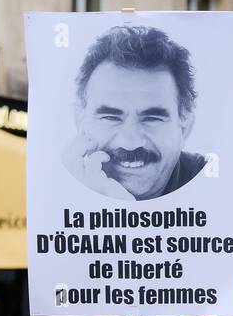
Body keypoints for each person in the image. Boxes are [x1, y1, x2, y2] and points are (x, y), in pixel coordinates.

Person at [62, 24, 205, 200]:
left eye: (152, 118)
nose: (130, 142)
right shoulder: (50, 194)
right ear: (80, 120)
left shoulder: (215, 187)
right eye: (110, 117)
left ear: (185, 127)